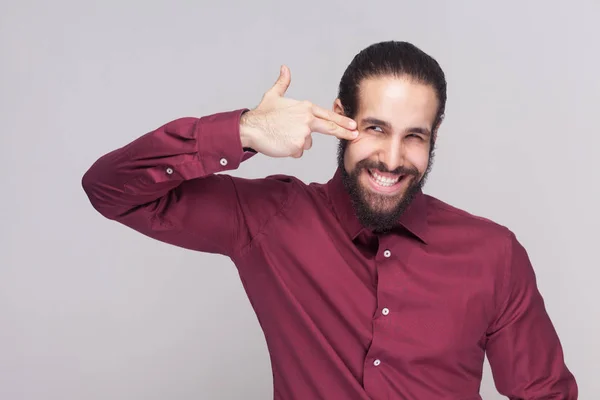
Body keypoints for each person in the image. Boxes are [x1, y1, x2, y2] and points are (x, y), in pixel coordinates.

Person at [82, 41, 577, 399]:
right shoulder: (270, 220)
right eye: (375, 128)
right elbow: (112, 190)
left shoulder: (492, 254)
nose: (390, 157)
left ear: (435, 136)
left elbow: (545, 393)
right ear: (340, 116)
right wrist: (245, 131)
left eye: (414, 136)